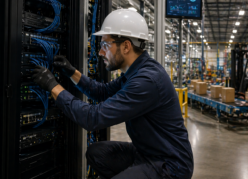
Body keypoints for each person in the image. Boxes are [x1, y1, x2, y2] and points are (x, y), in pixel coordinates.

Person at [32, 9, 194, 179]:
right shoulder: (135, 71)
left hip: (171, 165)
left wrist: (53, 86)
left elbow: (93, 118)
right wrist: (72, 72)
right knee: (97, 153)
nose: (101, 52)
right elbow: (103, 92)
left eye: (105, 45)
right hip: (146, 152)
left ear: (126, 46)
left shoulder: (147, 81)